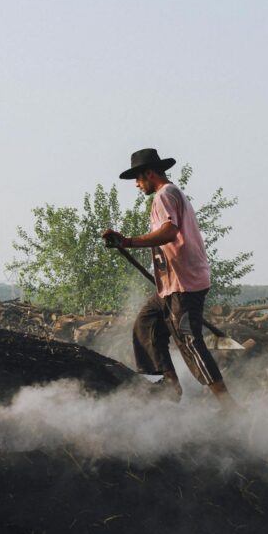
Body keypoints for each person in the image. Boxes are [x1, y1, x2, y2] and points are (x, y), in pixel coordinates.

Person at [102, 148, 238, 409]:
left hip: (184, 285)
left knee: (189, 341)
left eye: (138, 179)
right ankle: (169, 385)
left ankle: (228, 405)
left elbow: (169, 233)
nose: (137, 185)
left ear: (149, 173)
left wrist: (127, 241)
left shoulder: (165, 195)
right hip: (172, 284)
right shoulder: (171, 194)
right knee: (147, 324)